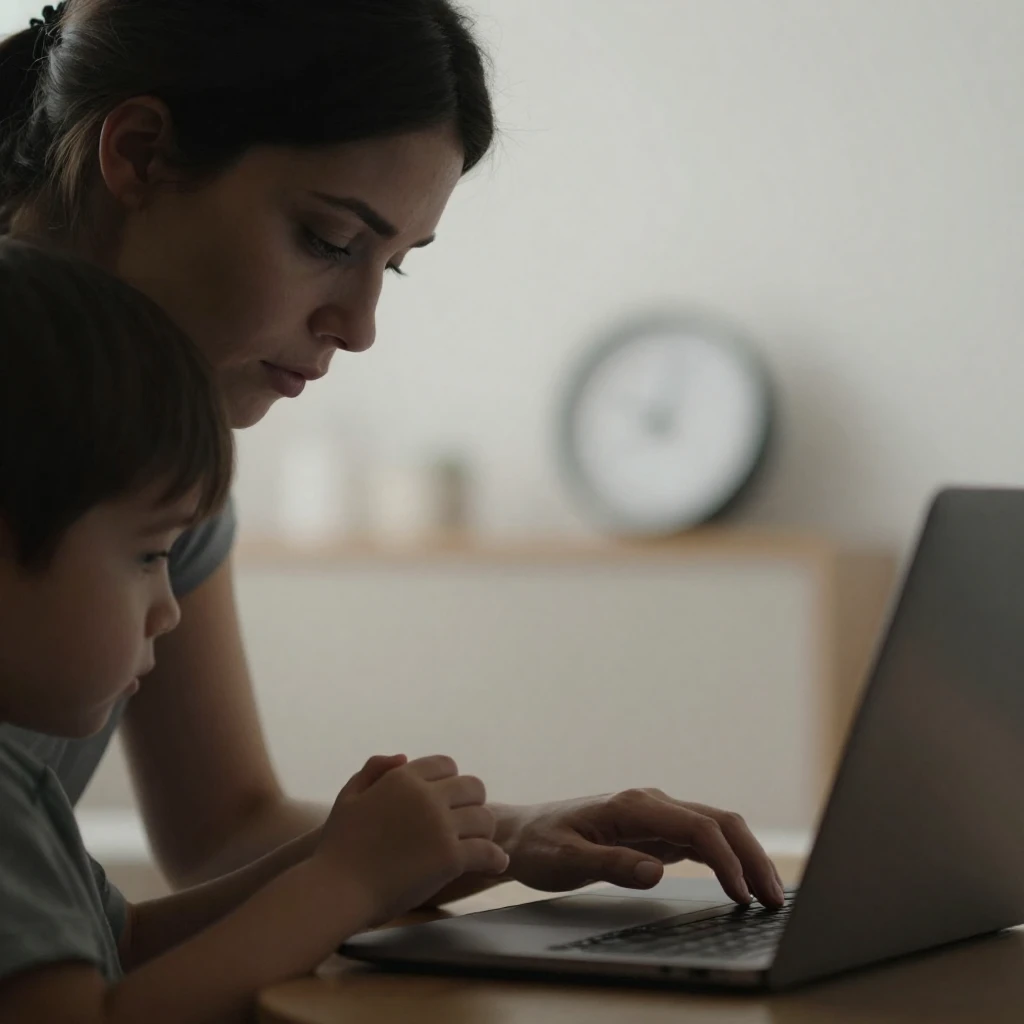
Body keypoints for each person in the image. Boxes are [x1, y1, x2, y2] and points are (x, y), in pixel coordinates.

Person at [0, 0, 783, 920]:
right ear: (138, 153)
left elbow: (224, 828)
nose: (361, 328)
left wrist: (510, 835)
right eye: (329, 241)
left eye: (394, 264)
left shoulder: (162, 463)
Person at [0, 238, 510, 1022]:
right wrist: (347, 883)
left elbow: (126, 944)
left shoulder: (19, 785)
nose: (168, 609)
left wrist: (336, 851)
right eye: (145, 553)